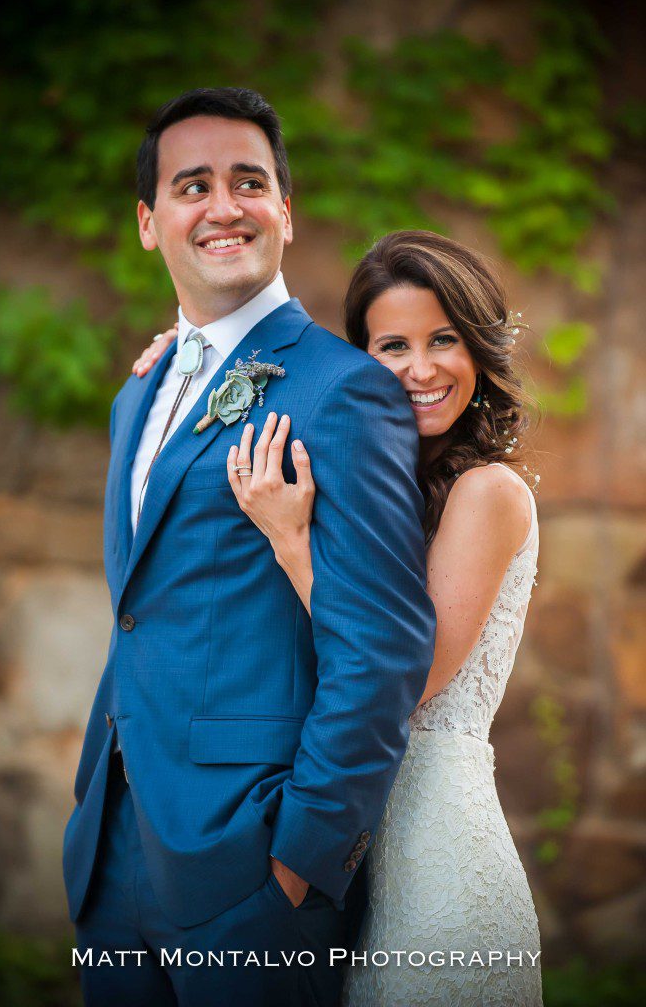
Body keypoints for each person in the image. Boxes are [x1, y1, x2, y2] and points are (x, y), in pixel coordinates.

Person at [62, 88, 436, 1007]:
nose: (223, 206)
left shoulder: (343, 390)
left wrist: (304, 857)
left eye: (249, 182)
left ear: (285, 211)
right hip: (113, 847)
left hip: (251, 865)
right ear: (148, 223)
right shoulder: (138, 392)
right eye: (192, 186)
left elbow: (384, 645)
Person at [137, 229, 544, 1005]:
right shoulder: (375, 484)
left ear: (479, 347)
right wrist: (188, 358)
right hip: (342, 851)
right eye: (392, 346)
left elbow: (406, 676)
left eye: (443, 340)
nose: (420, 369)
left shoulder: (486, 492)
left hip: (432, 855)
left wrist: (294, 545)